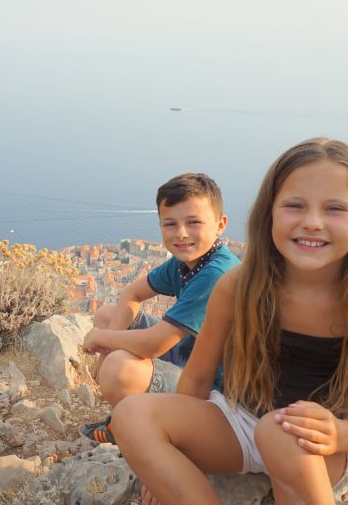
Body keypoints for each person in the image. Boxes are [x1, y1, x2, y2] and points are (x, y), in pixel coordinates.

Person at [112, 138, 348, 505]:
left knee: (278, 430)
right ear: (269, 212)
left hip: (314, 450)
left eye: (335, 208)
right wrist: (171, 462)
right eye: (294, 206)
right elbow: (197, 376)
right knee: (131, 414)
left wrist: (338, 433)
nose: (313, 222)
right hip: (238, 422)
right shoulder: (240, 287)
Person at [79, 173, 240, 444]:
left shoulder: (216, 273)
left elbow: (154, 344)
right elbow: (133, 293)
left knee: (119, 369)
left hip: (214, 389)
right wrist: (105, 351)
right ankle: (130, 419)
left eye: (194, 223)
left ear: (220, 225)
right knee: (107, 315)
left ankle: (137, 429)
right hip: (190, 353)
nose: (182, 234)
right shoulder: (185, 262)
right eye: (170, 224)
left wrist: (102, 342)